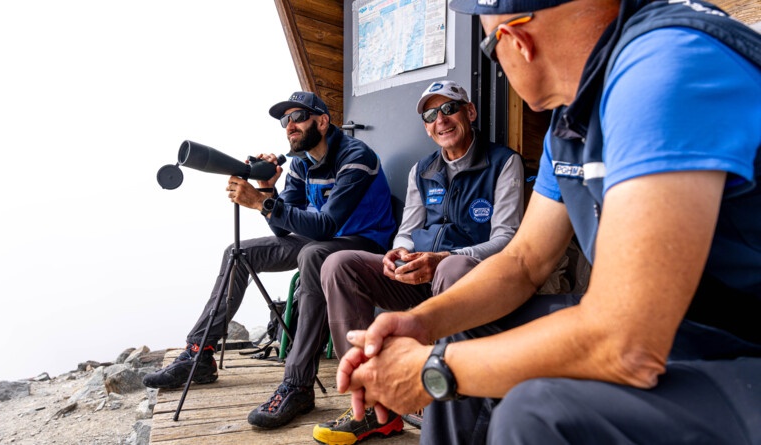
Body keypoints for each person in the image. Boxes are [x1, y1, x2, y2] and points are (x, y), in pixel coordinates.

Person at [335, 0, 761, 443]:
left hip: (736, 347)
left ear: (515, 41)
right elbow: (524, 260)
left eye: (488, 47)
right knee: (467, 326)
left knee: (537, 413)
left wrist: (431, 371)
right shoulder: (573, 114)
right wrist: (422, 324)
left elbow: (626, 343)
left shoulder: (662, 66)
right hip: (691, 332)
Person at [142, 91, 396, 428]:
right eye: (284, 120)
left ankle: (298, 384)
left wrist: (261, 203)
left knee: (313, 254)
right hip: (320, 241)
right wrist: (268, 192)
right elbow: (282, 228)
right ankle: (199, 353)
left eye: (298, 117)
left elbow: (327, 224)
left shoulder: (355, 157)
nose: (289, 125)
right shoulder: (302, 162)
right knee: (240, 252)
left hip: (364, 243)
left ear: (322, 121)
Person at [312, 80, 525, 445]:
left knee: (451, 268)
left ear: (469, 112)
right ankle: (374, 404)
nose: (440, 120)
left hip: (469, 284)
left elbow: (508, 239)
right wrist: (399, 253)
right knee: (338, 263)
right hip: (419, 278)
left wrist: (445, 257)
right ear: (426, 127)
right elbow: (408, 231)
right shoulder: (420, 170)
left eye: (449, 109)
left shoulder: (505, 163)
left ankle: (443, 393)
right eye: (430, 114)